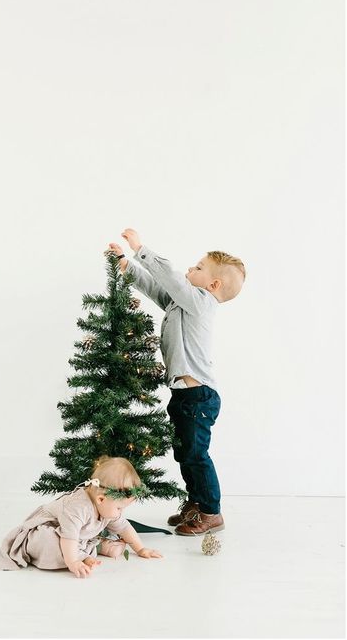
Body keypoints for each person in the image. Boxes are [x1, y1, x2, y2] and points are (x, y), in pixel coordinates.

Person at [107, 228, 245, 536]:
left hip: (197, 396)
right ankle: (197, 504)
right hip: (184, 395)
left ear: (214, 284)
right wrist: (126, 265)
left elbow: (171, 278)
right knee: (186, 455)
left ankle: (211, 513)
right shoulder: (182, 303)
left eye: (197, 268)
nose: (188, 270)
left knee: (196, 455)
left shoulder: (201, 302)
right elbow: (159, 289)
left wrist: (141, 249)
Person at [0, 455, 162, 578]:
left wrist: (141, 549)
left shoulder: (106, 507)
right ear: (101, 499)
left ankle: (90, 550)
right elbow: (68, 537)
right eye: (119, 508)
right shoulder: (78, 508)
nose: (120, 513)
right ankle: (88, 552)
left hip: (73, 538)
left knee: (79, 540)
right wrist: (73, 562)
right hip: (48, 529)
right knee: (49, 541)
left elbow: (124, 527)